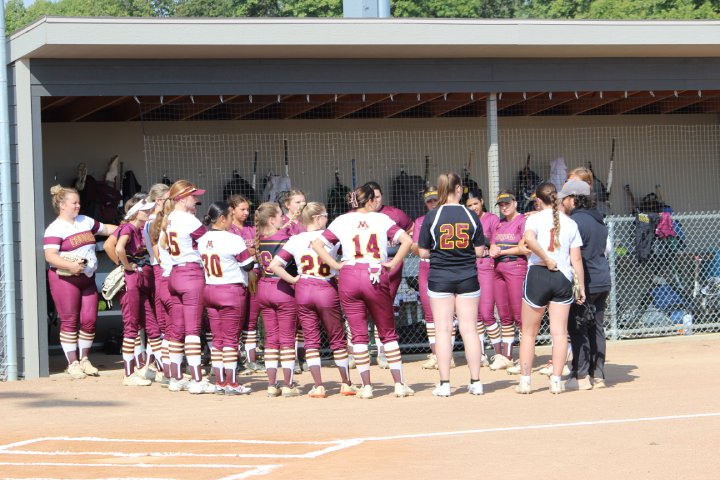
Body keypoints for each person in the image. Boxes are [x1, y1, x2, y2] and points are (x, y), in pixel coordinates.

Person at [313, 184, 414, 399]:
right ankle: (399, 384)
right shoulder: (381, 219)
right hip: (374, 272)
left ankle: (366, 386)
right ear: (370, 201)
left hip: (349, 273)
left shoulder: (341, 220)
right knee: (387, 332)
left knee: (357, 334)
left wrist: (337, 265)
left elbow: (317, 244)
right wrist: (393, 262)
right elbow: (407, 240)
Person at [269, 202, 358, 397]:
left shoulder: (295, 239)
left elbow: (274, 265)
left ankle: (318, 385)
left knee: (310, 340)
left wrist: (293, 279)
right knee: (336, 338)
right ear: (317, 218)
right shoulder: (330, 237)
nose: (328, 219)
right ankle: (346, 383)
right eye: (325, 215)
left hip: (303, 289)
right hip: (325, 287)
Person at [417, 172, 486, 397]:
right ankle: (475, 381)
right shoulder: (471, 215)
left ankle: (445, 383)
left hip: (440, 277)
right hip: (467, 276)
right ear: (459, 189)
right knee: (469, 329)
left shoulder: (433, 216)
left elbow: (424, 251)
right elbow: (478, 251)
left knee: (443, 330)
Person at [515, 182, 585, 395]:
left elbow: (528, 239)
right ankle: (556, 380)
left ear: (538, 200)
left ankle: (525, 380)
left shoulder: (534, 218)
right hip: (562, 277)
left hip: (538, 273)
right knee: (560, 333)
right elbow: (577, 258)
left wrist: (545, 258)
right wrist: (580, 285)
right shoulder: (570, 222)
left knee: (528, 333)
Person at [43, 185, 117, 379]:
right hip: (65, 279)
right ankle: (72, 362)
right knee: (69, 321)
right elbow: (50, 256)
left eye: (78, 202)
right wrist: (70, 267)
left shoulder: (85, 221)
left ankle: (84, 359)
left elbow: (106, 229)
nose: (78, 206)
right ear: (61, 205)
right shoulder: (55, 228)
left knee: (90, 320)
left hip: (87, 277)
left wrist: (128, 229)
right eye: (74, 203)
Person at [160, 180, 212, 394]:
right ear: (181, 198)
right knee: (192, 330)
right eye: (193, 196)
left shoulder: (170, 217)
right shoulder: (187, 219)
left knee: (177, 328)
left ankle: (175, 378)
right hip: (191, 273)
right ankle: (197, 380)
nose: (196, 199)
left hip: (175, 273)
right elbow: (210, 242)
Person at [197, 201, 254, 395]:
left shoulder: (203, 239)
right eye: (230, 216)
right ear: (222, 218)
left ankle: (220, 381)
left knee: (218, 339)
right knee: (230, 339)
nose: (232, 220)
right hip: (230, 290)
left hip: (210, 288)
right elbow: (248, 265)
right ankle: (231, 382)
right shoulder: (233, 239)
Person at [560, 179, 611, 390]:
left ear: (574, 199)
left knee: (578, 327)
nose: (563, 203)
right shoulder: (599, 220)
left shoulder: (575, 221)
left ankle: (580, 376)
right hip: (602, 280)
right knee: (596, 327)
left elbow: (574, 255)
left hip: (585, 281)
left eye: (565, 199)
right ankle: (597, 374)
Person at [364, 181, 414, 369]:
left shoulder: (394, 214)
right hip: (364, 270)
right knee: (360, 312)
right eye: (371, 197)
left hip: (389, 270)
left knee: (383, 311)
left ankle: (382, 352)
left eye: (378, 196)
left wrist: (397, 246)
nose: (375, 201)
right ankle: (355, 351)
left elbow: (411, 229)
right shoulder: (356, 216)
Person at [254, 202, 300, 397]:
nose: (283, 218)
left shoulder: (260, 238)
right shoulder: (286, 239)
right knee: (288, 338)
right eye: (280, 215)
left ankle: (272, 384)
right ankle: (288, 385)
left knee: (271, 339)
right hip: (282, 288)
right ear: (272, 220)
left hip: (263, 288)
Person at [115, 196, 157, 387]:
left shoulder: (140, 229)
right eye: (145, 210)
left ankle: (159, 370)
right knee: (131, 326)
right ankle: (128, 373)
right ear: (135, 212)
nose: (148, 212)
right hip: (132, 280)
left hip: (141, 281)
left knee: (152, 326)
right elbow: (118, 248)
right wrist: (126, 266)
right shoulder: (129, 228)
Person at [488, 191, 529, 371]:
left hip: (516, 267)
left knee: (519, 314)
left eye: (507, 203)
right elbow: (492, 245)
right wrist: (493, 249)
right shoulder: (499, 224)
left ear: (515, 203)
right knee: (504, 315)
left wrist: (502, 251)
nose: (504, 207)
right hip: (498, 269)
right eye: (501, 205)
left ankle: (524, 356)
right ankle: (507, 355)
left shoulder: (522, 221)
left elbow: (525, 248)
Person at [228, 194, 265, 375]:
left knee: (252, 317)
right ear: (232, 210)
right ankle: (235, 359)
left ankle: (251, 359)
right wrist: (250, 251)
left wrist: (250, 251)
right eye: (241, 209)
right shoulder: (229, 230)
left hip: (255, 274)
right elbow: (240, 253)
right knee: (237, 319)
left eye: (247, 209)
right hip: (239, 276)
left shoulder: (251, 229)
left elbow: (258, 249)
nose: (245, 213)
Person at [411, 188, 446, 370]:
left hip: (444, 264)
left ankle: (446, 355)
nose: (432, 203)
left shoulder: (446, 217)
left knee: (448, 313)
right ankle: (435, 354)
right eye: (429, 201)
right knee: (429, 312)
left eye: (435, 200)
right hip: (426, 265)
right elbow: (416, 247)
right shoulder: (420, 221)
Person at [464, 188, 500, 367]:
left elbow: (496, 243)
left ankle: (499, 353)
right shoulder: (466, 220)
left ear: (482, 202)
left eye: (475, 204)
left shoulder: (492, 219)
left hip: (487, 266)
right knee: (475, 315)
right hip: (470, 267)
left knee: (487, 313)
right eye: (469, 205)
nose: (473, 208)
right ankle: (480, 354)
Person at [279, 189, 308, 373]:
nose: (302, 206)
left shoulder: (306, 222)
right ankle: (291, 359)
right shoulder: (281, 221)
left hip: (303, 269)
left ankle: (302, 355)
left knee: (303, 316)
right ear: (288, 205)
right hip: (286, 270)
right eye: (297, 202)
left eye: (303, 202)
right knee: (289, 317)